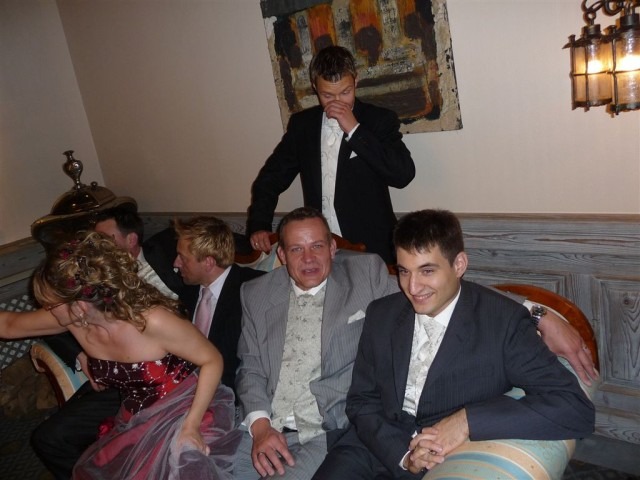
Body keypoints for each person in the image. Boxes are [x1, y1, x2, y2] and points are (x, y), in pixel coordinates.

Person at [232, 207, 597, 480]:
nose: (412, 287)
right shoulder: (384, 312)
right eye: (404, 271)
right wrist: (402, 455)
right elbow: (361, 401)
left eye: (427, 271)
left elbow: (575, 410)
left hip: (438, 452)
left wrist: (467, 421)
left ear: (459, 264)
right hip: (370, 444)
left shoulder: (501, 323)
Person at [1, 231, 240, 479]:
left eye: (50, 305)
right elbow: (8, 325)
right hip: (134, 413)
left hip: (184, 406)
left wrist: (191, 425)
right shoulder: (75, 319)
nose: (46, 310)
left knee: (181, 466)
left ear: (80, 306)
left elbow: (212, 359)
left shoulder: (151, 320)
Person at [29, 206, 193, 480]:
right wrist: (81, 354)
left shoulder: (166, 255)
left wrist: (259, 233)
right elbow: (53, 320)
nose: (98, 245)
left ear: (131, 240)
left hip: (163, 382)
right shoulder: (91, 282)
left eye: (106, 238)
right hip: (113, 380)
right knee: (49, 437)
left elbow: (215, 246)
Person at [246, 45, 415, 264]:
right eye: (327, 95)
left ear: (355, 81)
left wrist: (355, 130)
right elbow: (271, 178)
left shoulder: (379, 120)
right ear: (315, 87)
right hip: (318, 249)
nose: (337, 102)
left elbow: (403, 175)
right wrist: (259, 224)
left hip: (371, 249)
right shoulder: (302, 126)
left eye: (345, 92)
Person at [172, 216, 264, 394]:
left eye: (183, 258)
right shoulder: (187, 292)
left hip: (232, 396)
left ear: (208, 262)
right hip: (185, 392)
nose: (176, 263)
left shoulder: (254, 289)